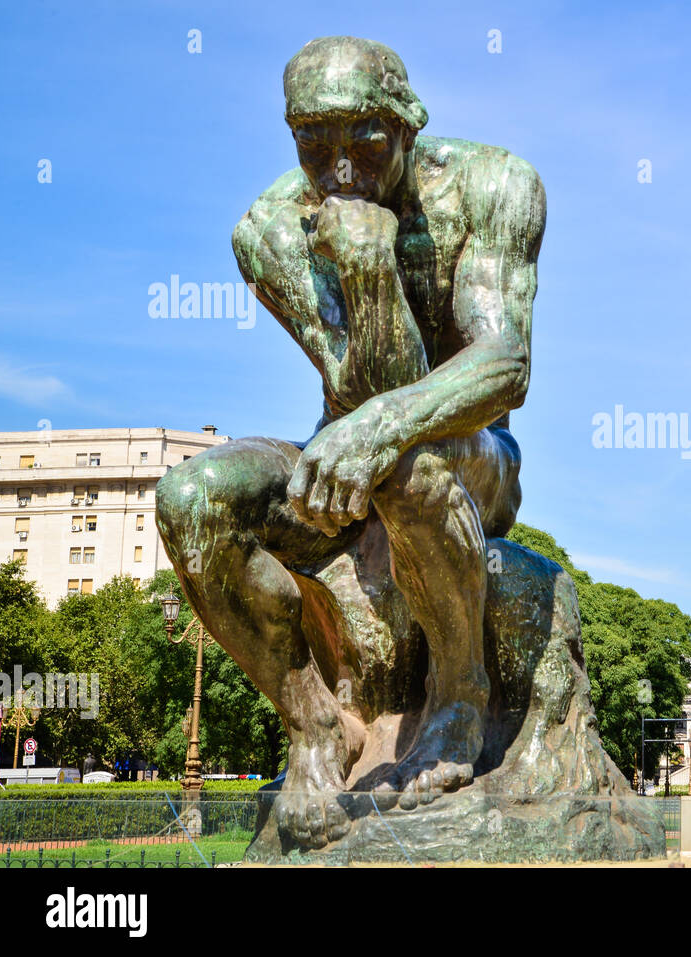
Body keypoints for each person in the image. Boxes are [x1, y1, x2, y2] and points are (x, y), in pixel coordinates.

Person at [157, 36, 545, 848]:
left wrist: (375, 281)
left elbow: (504, 364)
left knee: (401, 460)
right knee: (189, 500)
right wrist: (364, 279)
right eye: (312, 142)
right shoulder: (270, 228)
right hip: (343, 448)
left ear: (409, 124)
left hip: (473, 454)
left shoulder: (496, 186)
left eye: (362, 137)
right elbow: (356, 385)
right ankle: (315, 725)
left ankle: (459, 696)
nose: (338, 167)